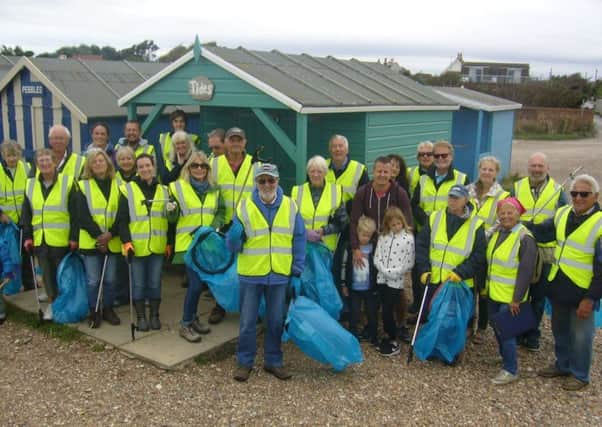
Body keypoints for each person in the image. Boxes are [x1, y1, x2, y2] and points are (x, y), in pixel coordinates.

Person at [227, 163, 305, 382]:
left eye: (271, 180)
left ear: (278, 181)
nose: (267, 184)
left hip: (279, 274)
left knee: (275, 321)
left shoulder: (291, 206)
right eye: (262, 180)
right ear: (256, 183)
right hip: (251, 274)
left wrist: (297, 269)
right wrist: (233, 237)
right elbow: (232, 246)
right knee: (247, 322)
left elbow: (299, 238)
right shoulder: (243, 207)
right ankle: (244, 362)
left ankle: (273, 360)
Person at [533, 175, 602, 391]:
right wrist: (517, 224)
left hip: (583, 291)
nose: (578, 198)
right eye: (574, 193)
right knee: (559, 330)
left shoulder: (599, 224)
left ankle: (580, 375)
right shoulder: (563, 213)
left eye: (584, 194)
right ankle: (562, 365)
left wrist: (591, 298)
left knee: (581, 336)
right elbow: (544, 233)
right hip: (559, 285)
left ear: (596, 196)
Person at [415, 184, 487, 340]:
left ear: (466, 200)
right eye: (451, 197)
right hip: (433, 278)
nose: (453, 201)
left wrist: (460, 272)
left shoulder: (476, 225)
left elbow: (479, 255)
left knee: (453, 319)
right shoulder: (435, 217)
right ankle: (434, 346)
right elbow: (421, 245)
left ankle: (450, 351)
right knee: (432, 314)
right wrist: (424, 269)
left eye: (457, 198)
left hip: (457, 283)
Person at [167, 151, 225, 342]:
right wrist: (171, 211)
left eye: (203, 166)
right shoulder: (177, 188)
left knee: (199, 284)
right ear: (188, 168)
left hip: (207, 243)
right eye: (195, 165)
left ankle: (192, 319)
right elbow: (172, 218)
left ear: (207, 169)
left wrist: (214, 227)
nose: (199, 169)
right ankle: (185, 324)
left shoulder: (215, 189)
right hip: (187, 244)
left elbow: (221, 211)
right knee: (195, 284)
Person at [512, 152, 567, 352]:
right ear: (528, 167)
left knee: (538, 295)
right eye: (533, 165)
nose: (536, 169)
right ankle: (518, 332)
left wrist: (541, 227)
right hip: (521, 248)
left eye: (540, 166)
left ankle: (533, 334)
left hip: (545, 251)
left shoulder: (558, 190)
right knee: (520, 293)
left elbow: (562, 218)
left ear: (547, 168)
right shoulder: (517, 187)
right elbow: (509, 212)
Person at [21, 148, 78, 320]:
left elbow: (76, 213)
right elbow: (27, 214)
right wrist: (28, 237)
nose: (45, 164)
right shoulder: (30, 185)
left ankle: (65, 303)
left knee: (62, 275)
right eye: (41, 161)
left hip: (61, 239)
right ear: (37, 165)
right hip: (41, 239)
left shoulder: (68, 182)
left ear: (54, 162)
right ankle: (53, 304)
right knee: (47, 274)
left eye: (48, 160)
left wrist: (74, 237)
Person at [486, 197, 537, 385]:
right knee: (497, 328)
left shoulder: (525, 237)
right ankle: (505, 357)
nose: (506, 216)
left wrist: (517, 299)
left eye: (510, 212)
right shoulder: (497, 233)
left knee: (507, 331)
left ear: (518, 214)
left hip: (510, 297)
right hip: (494, 292)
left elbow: (526, 270)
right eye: (502, 213)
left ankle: (511, 369)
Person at [116, 154, 169, 331]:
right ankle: (140, 317)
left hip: (157, 246)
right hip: (136, 248)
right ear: (137, 170)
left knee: (155, 282)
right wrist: (126, 242)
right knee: (138, 283)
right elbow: (121, 220)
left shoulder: (164, 190)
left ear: (153, 167)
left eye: (148, 165)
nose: (145, 169)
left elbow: (169, 220)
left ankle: (154, 315)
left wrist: (168, 243)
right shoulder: (127, 190)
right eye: (141, 167)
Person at [209, 127, 257, 324]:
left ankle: (249, 307)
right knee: (221, 269)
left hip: (247, 227)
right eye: (232, 139)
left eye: (239, 139)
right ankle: (219, 305)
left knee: (247, 269)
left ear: (245, 142)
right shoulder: (213, 163)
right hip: (222, 226)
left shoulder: (256, 164)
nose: (235, 143)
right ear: (226, 142)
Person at [74, 149, 121, 327]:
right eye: (95, 162)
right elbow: (82, 216)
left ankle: (108, 308)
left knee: (110, 279)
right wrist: (100, 237)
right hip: (91, 240)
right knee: (93, 280)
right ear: (90, 166)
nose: (99, 164)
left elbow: (123, 213)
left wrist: (110, 235)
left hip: (112, 239)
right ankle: (94, 310)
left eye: (102, 160)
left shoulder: (119, 183)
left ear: (108, 163)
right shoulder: (83, 185)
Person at [467, 156, 509, 343]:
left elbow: (502, 221)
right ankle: (469, 324)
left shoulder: (503, 196)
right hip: (467, 247)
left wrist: (481, 236)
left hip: (488, 247)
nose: (486, 172)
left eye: (490, 170)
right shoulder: (468, 190)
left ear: (496, 173)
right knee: (468, 287)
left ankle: (482, 328)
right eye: (483, 168)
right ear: (479, 169)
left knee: (483, 289)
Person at [325, 135, 370, 300]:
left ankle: (346, 303)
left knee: (343, 266)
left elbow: (365, 198)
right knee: (327, 266)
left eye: (341, 146)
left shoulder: (359, 169)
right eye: (334, 146)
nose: (337, 149)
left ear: (347, 149)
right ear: (330, 150)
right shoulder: (322, 167)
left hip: (349, 225)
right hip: (327, 225)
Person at [350, 156, 412, 269]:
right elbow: (354, 221)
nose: (382, 175)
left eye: (386, 172)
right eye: (379, 171)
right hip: (368, 247)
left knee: (390, 285)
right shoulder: (362, 193)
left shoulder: (400, 193)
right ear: (373, 171)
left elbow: (408, 222)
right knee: (369, 284)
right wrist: (355, 248)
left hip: (392, 247)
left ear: (390, 174)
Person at [373, 207, 415, 356]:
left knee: (390, 309)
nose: (396, 227)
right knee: (384, 309)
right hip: (382, 278)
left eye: (399, 224)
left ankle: (394, 338)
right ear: (388, 225)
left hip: (395, 281)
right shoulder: (383, 237)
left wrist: (393, 273)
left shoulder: (408, 238)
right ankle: (388, 335)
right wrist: (383, 269)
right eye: (393, 225)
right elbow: (377, 256)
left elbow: (409, 262)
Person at [291, 155, 347, 253]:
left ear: (325, 173)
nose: (315, 175)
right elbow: (290, 221)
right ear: (308, 172)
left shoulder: (335, 191)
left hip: (326, 249)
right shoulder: (297, 191)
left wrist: (324, 231)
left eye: (319, 171)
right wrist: (305, 232)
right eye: (312, 171)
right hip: (302, 247)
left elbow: (342, 222)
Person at [412, 140, 468, 229]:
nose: (440, 158)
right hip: (425, 230)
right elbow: (414, 205)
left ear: (452, 157)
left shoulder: (462, 179)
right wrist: (427, 222)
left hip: (448, 232)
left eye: (444, 155)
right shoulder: (423, 179)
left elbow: (467, 208)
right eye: (436, 156)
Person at [0, 140, 34, 290]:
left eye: (15, 155)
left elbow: (33, 193)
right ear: (3, 155)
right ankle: (10, 285)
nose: (12, 159)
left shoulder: (27, 168)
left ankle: (29, 284)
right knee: (8, 256)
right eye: (9, 156)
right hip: (5, 223)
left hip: (24, 220)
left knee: (27, 253)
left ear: (20, 155)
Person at [344, 215, 378, 346]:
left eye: (368, 235)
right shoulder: (350, 248)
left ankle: (373, 335)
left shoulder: (373, 249)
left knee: (371, 312)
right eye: (363, 234)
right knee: (354, 312)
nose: (365, 238)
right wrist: (344, 284)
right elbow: (343, 266)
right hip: (354, 288)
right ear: (357, 233)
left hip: (369, 288)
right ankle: (353, 334)